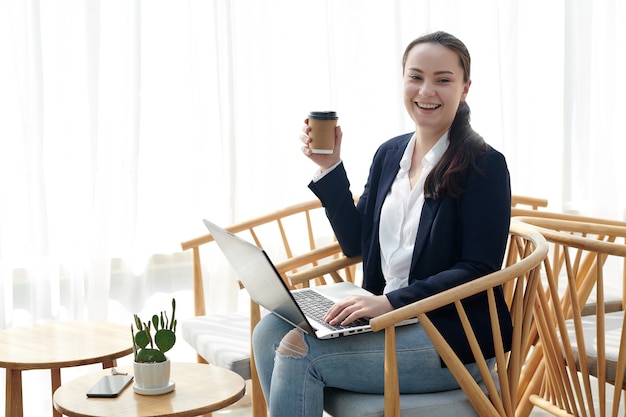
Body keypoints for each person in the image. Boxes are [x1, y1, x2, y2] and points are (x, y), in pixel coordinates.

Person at [252, 30, 512, 417]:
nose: (427, 90)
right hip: (388, 318)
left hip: (450, 338)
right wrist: (330, 168)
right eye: (416, 76)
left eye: (443, 79)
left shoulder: (484, 164)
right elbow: (356, 243)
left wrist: (388, 303)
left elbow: (478, 269)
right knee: (268, 331)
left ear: (465, 88)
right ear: (403, 80)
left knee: (299, 352)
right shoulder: (389, 154)